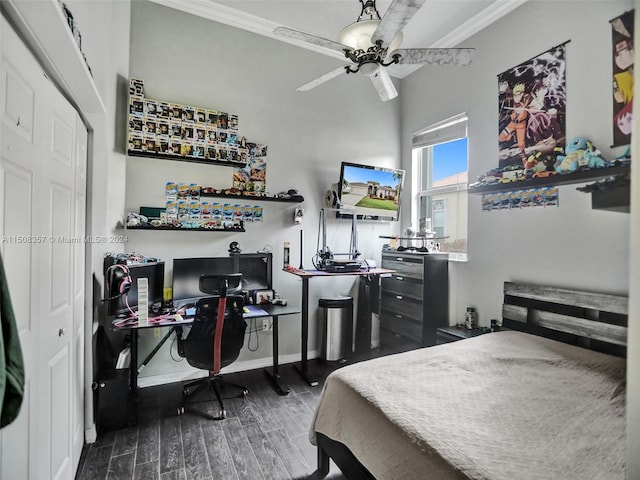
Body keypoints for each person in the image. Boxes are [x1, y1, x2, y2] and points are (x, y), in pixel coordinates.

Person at [499, 82, 529, 163]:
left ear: (522, 94)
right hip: (512, 124)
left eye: (519, 94)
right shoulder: (513, 99)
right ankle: (511, 136)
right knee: (501, 137)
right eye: (515, 95)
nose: (516, 96)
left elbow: (535, 105)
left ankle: (524, 159)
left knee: (521, 144)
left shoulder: (526, 100)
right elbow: (507, 91)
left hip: (521, 125)